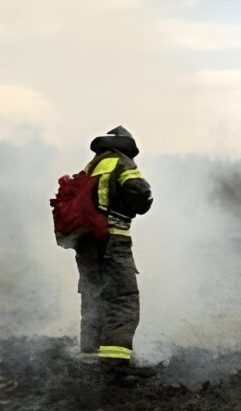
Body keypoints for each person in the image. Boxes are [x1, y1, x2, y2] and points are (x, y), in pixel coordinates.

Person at [75, 125, 153, 365]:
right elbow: (141, 193)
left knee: (93, 296)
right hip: (113, 240)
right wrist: (129, 209)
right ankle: (115, 362)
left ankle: (90, 357)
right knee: (122, 297)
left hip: (86, 244)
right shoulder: (121, 162)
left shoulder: (93, 165)